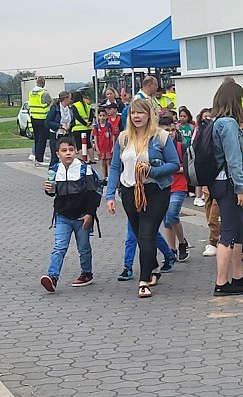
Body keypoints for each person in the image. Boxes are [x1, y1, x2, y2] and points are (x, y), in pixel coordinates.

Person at [105, 99, 179, 299]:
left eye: (140, 113)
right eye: (133, 113)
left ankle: (143, 280)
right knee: (140, 234)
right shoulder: (123, 138)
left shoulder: (161, 137)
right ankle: (154, 267)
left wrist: (152, 170)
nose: (136, 117)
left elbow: (174, 164)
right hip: (130, 191)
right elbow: (114, 168)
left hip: (155, 191)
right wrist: (110, 195)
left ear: (149, 115)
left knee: (147, 233)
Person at [209, 80, 243, 296]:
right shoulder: (229, 124)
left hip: (218, 181)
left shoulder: (215, 122)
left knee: (239, 227)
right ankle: (222, 282)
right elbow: (233, 160)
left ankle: (238, 276)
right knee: (229, 232)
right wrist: (241, 188)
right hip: (229, 183)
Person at [40, 136, 100, 292]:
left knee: (84, 247)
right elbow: (53, 192)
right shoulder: (54, 169)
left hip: (82, 216)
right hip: (62, 216)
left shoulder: (84, 169)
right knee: (59, 247)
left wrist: (90, 213)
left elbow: (93, 194)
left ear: (76, 151)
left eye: (71, 150)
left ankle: (87, 273)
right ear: (57, 153)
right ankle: (52, 277)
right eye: (64, 150)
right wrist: (49, 190)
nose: (68, 153)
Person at [160, 114, 190, 264]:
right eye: (166, 130)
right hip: (163, 187)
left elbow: (186, 167)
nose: (170, 133)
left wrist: (171, 168)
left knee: (172, 214)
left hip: (179, 186)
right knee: (167, 220)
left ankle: (182, 242)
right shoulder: (157, 147)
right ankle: (172, 250)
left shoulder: (181, 147)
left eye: (172, 130)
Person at [29, 77, 53, 166]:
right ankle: (39, 159)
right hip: (42, 118)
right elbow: (51, 103)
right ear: (43, 83)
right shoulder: (44, 93)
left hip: (33, 117)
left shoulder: (31, 93)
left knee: (37, 138)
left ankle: (37, 156)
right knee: (42, 139)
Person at [46, 91, 73, 166]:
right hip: (55, 135)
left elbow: (73, 120)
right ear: (65, 98)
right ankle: (52, 174)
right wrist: (60, 126)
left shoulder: (70, 109)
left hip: (66, 134)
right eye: (70, 98)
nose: (71, 100)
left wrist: (70, 125)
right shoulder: (55, 108)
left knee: (66, 156)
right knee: (55, 157)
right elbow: (48, 122)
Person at [194, 108, 212, 207]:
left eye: (209, 116)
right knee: (200, 178)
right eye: (205, 116)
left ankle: (203, 196)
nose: (207, 118)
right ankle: (197, 197)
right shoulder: (199, 130)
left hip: (208, 158)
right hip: (200, 156)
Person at [69, 90, 94, 155]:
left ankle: (83, 159)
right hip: (88, 128)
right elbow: (91, 114)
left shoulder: (74, 106)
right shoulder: (87, 105)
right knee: (88, 144)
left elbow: (77, 116)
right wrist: (89, 123)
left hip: (78, 128)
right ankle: (92, 159)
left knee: (79, 145)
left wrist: (84, 123)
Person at [92, 107, 114, 180]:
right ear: (98, 116)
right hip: (101, 147)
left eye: (104, 115)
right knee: (102, 163)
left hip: (108, 146)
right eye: (100, 115)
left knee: (108, 163)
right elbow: (95, 138)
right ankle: (103, 178)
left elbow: (112, 136)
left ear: (107, 116)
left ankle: (109, 178)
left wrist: (113, 146)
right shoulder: (96, 127)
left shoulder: (109, 125)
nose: (102, 117)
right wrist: (97, 148)